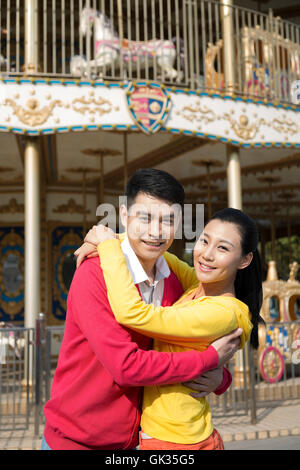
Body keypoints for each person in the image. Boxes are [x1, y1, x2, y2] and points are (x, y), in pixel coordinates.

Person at [42, 169, 240, 450]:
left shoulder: (174, 278)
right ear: (124, 216)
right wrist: (208, 359)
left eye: (168, 220)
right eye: (144, 218)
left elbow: (185, 346)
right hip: (77, 441)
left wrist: (221, 376)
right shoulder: (95, 273)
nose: (156, 231)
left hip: (137, 441)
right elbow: (125, 366)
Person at [76, 206, 264, 450]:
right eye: (204, 241)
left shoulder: (223, 312)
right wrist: (103, 236)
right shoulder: (199, 285)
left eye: (222, 248)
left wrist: (108, 246)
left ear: (245, 259)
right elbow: (157, 252)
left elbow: (133, 313)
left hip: (179, 440)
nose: (207, 254)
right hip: (165, 434)